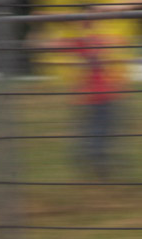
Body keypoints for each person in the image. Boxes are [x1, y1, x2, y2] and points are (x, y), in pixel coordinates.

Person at [47, 4, 129, 179]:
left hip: (105, 94)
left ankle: (95, 160)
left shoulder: (100, 39)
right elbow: (52, 45)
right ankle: (96, 163)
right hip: (92, 95)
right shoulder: (84, 41)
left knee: (102, 130)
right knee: (96, 130)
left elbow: (118, 44)